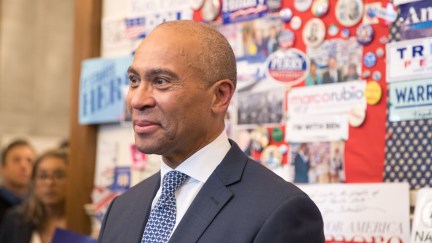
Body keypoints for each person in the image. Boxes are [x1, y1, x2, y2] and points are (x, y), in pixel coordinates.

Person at [98, 20, 324, 243]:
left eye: (161, 81)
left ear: (220, 96)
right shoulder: (121, 209)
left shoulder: (280, 211)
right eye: (134, 80)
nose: (137, 100)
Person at [0, 150, 68, 243]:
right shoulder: (15, 220)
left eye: (58, 176)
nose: (49, 182)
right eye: (42, 176)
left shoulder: (83, 223)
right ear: (34, 181)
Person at [0, 140, 36, 226]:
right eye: (16, 160)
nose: (24, 166)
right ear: (2, 168)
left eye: (29, 160)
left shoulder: (42, 206)